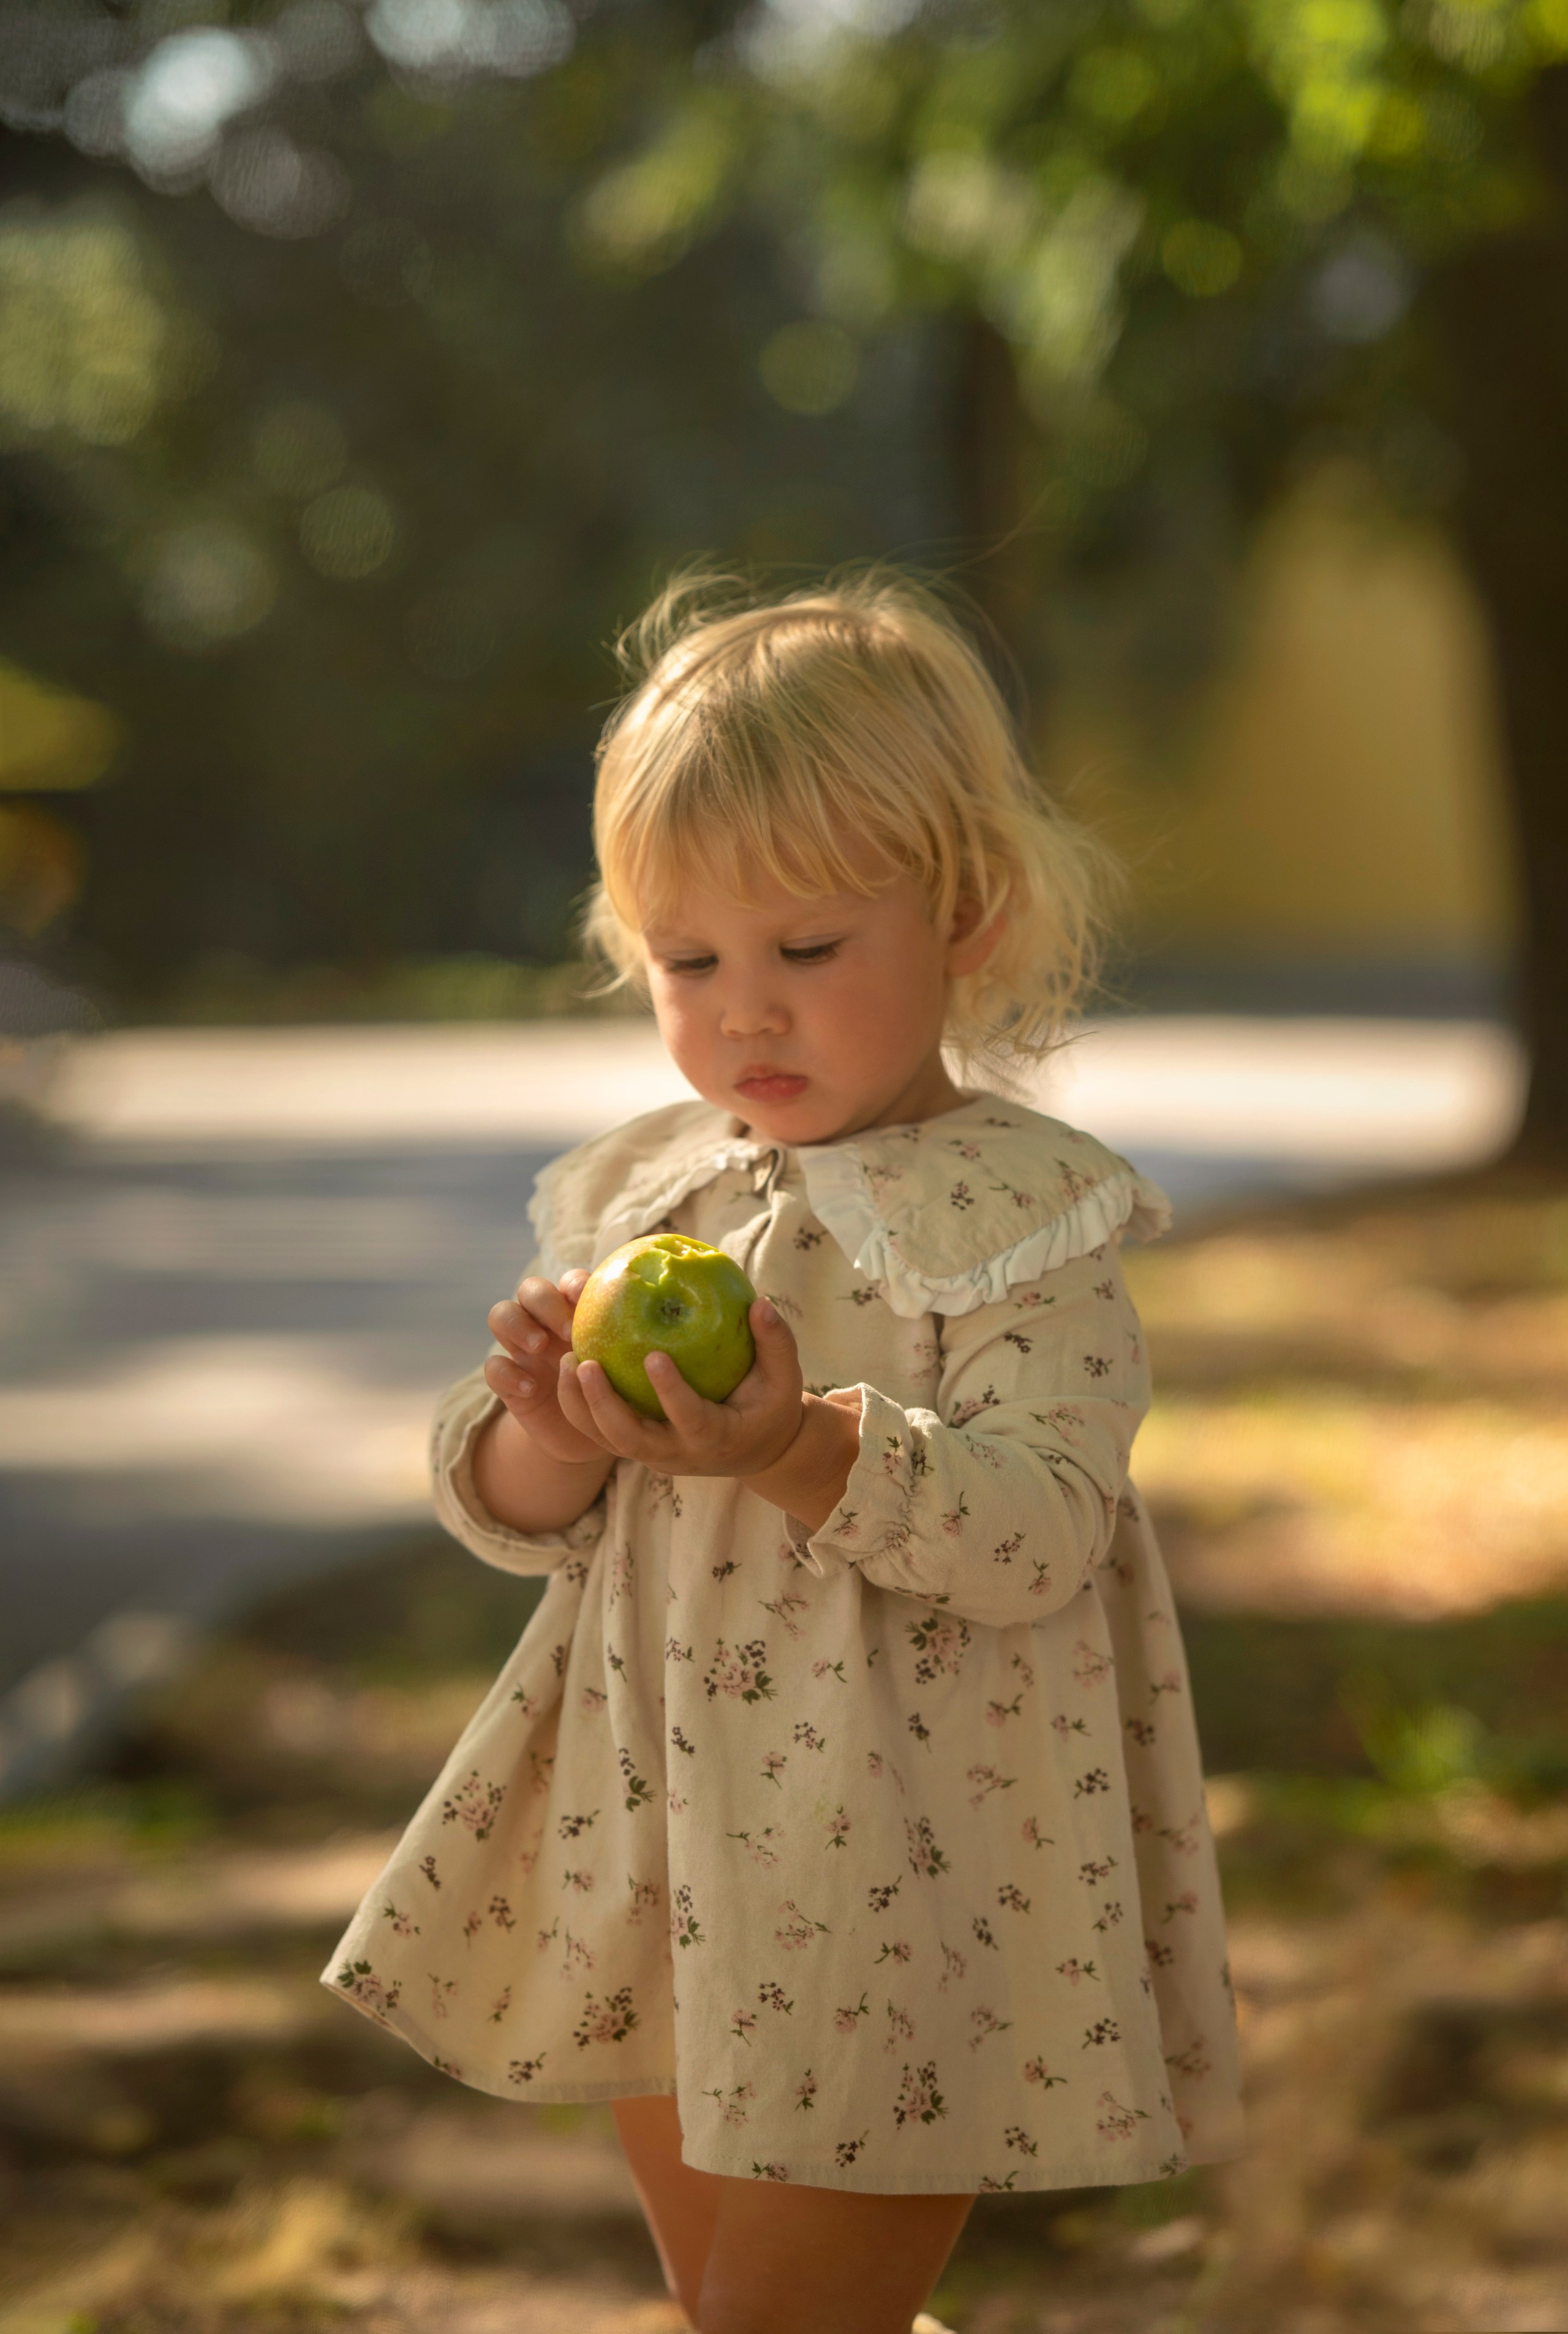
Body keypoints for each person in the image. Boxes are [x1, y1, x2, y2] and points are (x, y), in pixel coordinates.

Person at [324, 573, 1243, 2333]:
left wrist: (799, 1448)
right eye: (689, 960)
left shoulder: (1030, 1215)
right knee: (736, 2303)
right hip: (665, 1845)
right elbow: (512, 1517)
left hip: (905, 1873)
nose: (745, 1013)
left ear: (962, 911)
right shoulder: (645, 1194)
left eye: (806, 951)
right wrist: (540, 1428)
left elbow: (1044, 1529)